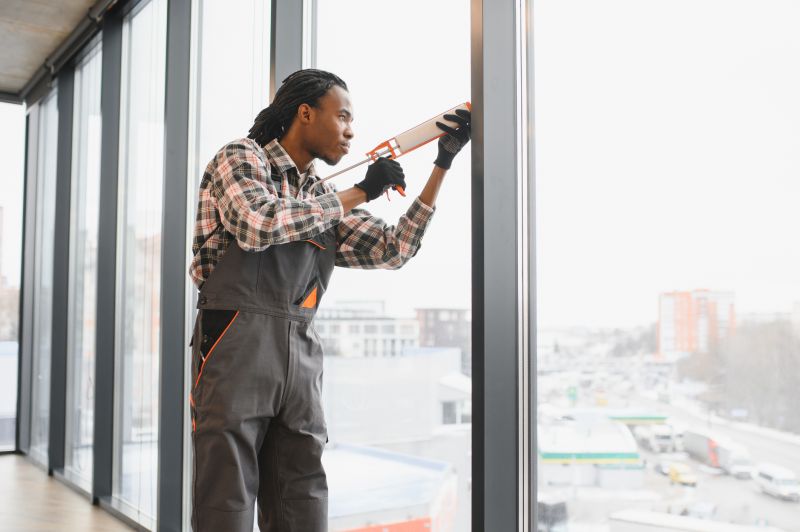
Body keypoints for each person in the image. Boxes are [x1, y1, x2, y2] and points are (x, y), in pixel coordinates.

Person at [187, 68, 470, 532]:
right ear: (305, 113)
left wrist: (443, 163)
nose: (351, 131)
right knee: (226, 495)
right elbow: (258, 223)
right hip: (234, 341)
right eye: (343, 117)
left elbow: (393, 248)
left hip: (300, 349)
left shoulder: (321, 194)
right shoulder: (241, 157)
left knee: (302, 494)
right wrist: (360, 192)